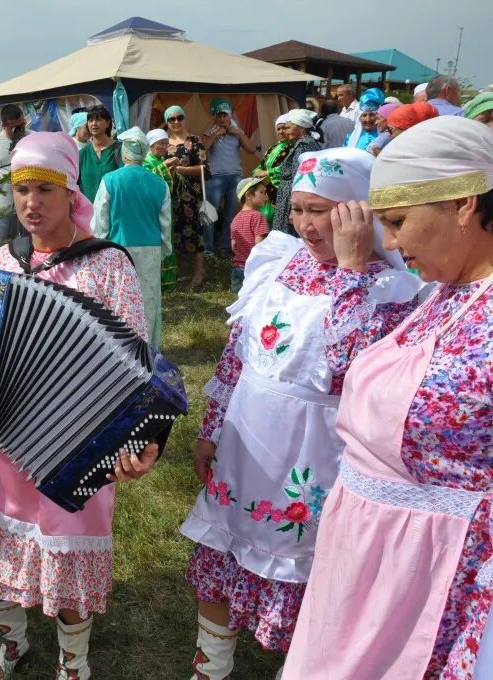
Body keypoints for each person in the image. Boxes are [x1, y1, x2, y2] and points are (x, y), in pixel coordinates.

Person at [180, 147, 425, 680]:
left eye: (324, 212)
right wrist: (210, 430)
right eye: (300, 210)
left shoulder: (391, 290)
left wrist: (353, 272)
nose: (308, 226)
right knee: (221, 554)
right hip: (248, 441)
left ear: (360, 213)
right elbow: (236, 355)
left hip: (316, 454)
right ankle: (211, 665)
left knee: (311, 580)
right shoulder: (277, 260)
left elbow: (349, 371)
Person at [0, 132, 163, 680]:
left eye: (45, 189)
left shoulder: (106, 265)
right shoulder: (2, 257)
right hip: (4, 432)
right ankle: (13, 643)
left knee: (67, 545)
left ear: (72, 194)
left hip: (78, 440)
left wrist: (134, 442)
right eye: (21, 191)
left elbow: (137, 365)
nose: (31, 204)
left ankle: (74, 662)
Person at [283, 116, 493, 680]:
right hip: (367, 556)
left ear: (463, 206)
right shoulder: (446, 291)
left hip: (436, 574)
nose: (392, 242)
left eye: (398, 222)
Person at [92, 126, 171, 347]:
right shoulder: (160, 184)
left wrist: (99, 246)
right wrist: (163, 253)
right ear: (144, 153)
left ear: (123, 152)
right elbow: (165, 225)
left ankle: (118, 346)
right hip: (151, 249)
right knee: (148, 301)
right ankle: (149, 348)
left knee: (118, 300)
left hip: (117, 248)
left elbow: (100, 222)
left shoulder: (110, 180)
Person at [201, 98, 256, 257]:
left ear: (230, 116)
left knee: (230, 215)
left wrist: (238, 133)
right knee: (210, 214)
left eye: (225, 115)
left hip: (235, 177)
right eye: (220, 116)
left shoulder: (237, 132)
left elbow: (252, 149)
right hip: (215, 178)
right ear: (215, 117)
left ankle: (225, 248)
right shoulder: (210, 132)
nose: (223, 119)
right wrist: (216, 134)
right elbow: (202, 149)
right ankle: (208, 250)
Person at [164, 104, 209, 287]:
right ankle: (178, 271)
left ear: (184, 119)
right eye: (171, 119)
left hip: (192, 194)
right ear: (166, 122)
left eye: (179, 117)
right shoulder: (162, 142)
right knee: (173, 231)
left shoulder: (195, 141)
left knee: (196, 232)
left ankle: (199, 273)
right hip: (169, 194)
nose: (176, 122)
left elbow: (205, 169)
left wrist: (181, 169)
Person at [0, 104, 29, 243]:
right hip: (4, 207)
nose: (19, 130)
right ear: (3, 125)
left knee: (28, 245)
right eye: (14, 127)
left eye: (22, 125)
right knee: (2, 244)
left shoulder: (33, 139)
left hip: (28, 204)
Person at [273, 109, 324, 235]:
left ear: (301, 128)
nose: (286, 131)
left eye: (289, 127)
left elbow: (299, 178)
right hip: (292, 197)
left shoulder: (303, 146)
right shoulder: (309, 143)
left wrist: (293, 208)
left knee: (286, 235)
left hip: (290, 198)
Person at [145, 128, 179, 292]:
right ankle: (157, 280)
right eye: (161, 144)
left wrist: (173, 170)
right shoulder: (146, 161)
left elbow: (172, 185)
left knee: (167, 237)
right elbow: (145, 179)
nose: (164, 147)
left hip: (166, 206)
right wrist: (164, 167)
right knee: (158, 238)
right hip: (152, 208)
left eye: (166, 143)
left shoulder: (159, 160)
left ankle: (168, 282)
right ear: (151, 145)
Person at [228, 176, 270, 292]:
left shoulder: (235, 218)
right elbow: (259, 245)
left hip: (237, 268)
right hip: (253, 268)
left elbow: (233, 246)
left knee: (239, 299)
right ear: (248, 196)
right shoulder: (258, 216)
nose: (266, 197)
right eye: (262, 192)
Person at [77, 104, 121, 202]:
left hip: (113, 210)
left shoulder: (119, 149)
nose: (94, 124)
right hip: (90, 213)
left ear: (108, 123)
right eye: (90, 120)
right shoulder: (82, 154)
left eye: (98, 120)